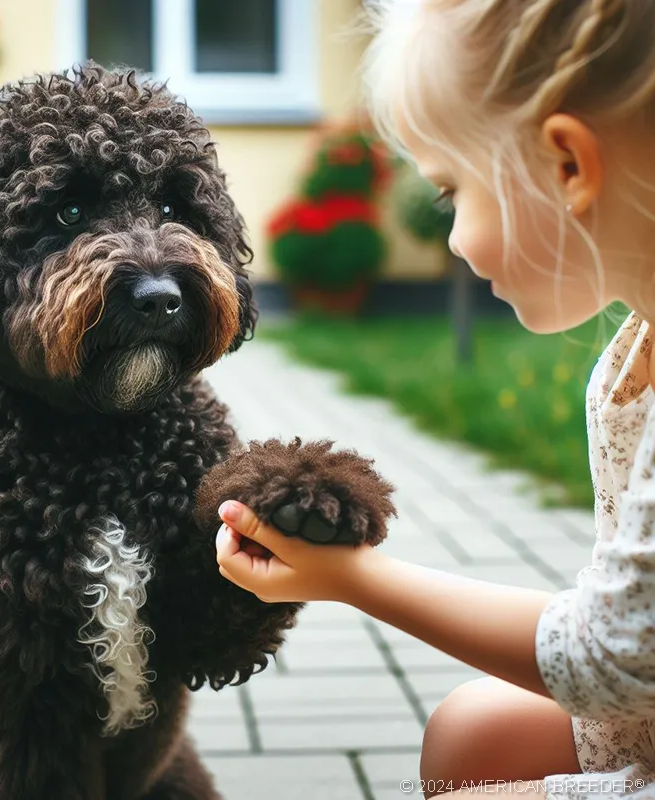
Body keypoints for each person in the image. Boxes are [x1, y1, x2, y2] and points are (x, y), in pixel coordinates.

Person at [215, 1, 655, 798]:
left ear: (567, 166)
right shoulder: (635, 350)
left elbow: (613, 657)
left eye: (451, 191)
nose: (449, 237)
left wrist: (353, 579)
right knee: (471, 735)